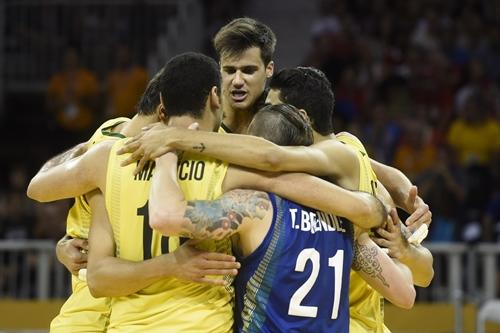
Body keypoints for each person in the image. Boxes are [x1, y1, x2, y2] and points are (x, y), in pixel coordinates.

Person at [28, 53, 390, 331]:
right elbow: (284, 173)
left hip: (116, 320)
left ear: (162, 107)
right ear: (216, 98)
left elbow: (43, 193)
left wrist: (68, 239)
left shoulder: (107, 156)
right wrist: (368, 201)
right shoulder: (228, 163)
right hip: (202, 322)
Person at [118, 65, 434, 333]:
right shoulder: (348, 216)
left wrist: (168, 155)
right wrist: (404, 242)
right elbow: (406, 293)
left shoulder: (252, 206)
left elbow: (166, 216)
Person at [32, 61, 240, 332]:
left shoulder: (105, 148)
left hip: (116, 307)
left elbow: (38, 188)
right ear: (164, 112)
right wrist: (64, 245)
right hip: (102, 306)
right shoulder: (105, 149)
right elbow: (38, 189)